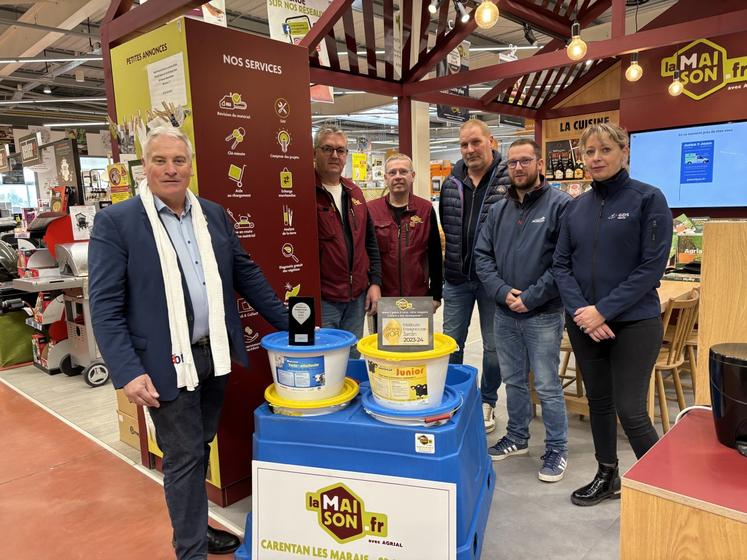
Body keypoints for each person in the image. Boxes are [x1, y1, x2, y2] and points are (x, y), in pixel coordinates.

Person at [89, 127, 288, 559]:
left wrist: (291, 324)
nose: (170, 169)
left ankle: (193, 527)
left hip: (211, 355)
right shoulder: (117, 222)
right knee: (182, 458)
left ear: (191, 166)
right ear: (145, 166)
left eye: (179, 160)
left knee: (198, 448)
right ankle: (191, 549)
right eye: (160, 160)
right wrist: (127, 371)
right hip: (162, 365)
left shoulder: (213, 215)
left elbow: (246, 272)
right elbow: (104, 306)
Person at [552, 123, 672, 506]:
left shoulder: (648, 200)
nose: (596, 158)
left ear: (624, 152)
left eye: (605, 149)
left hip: (635, 321)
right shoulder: (576, 207)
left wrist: (603, 310)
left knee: (630, 408)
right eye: (589, 152)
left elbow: (651, 268)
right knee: (599, 402)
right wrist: (583, 313)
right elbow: (561, 265)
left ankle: (664, 491)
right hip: (586, 322)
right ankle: (607, 476)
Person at [475, 139, 571, 481]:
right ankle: (517, 437)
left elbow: (563, 264)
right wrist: (502, 292)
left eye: (525, 161)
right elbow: (482, 257)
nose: (518, 167)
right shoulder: (499, 211)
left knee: (546, 385)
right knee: (514, 381)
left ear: (540, 164)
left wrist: (531, 296)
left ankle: (557, 448)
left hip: (543, 314)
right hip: (505, 311)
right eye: (513, 162)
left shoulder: (561, 206)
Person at [439, 119, 511, 433]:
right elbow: (447, 226)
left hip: (494, 281)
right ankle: (453, 397)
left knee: (494, 346)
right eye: (464, 144)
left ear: (491, 141)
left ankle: (487, 401)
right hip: (456, 278)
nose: (470, 150)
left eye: (476, 143)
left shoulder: (509, 179)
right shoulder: (451, 182)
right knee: (451, 343)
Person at [314, 124, 382, 356]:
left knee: (352, 358)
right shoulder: (303, 192)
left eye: (341, 150)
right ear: (315, 153)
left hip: (356, 298)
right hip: (324, 299)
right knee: (325, 360)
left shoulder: (355, 192)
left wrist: (375, 282)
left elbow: (369, 242)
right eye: (327, 149)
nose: (335, 155)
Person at [367, 153, 443, 313]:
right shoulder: (371, 210)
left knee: (416, 339)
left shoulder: (425, 209)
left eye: (403, 172)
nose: (398, 177)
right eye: (392, 173)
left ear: (412, 176)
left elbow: (435, 254)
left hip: (418, 297)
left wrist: (436, 293)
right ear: (386, 178)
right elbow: (366, 254)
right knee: (382, 339)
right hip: (382, 297)